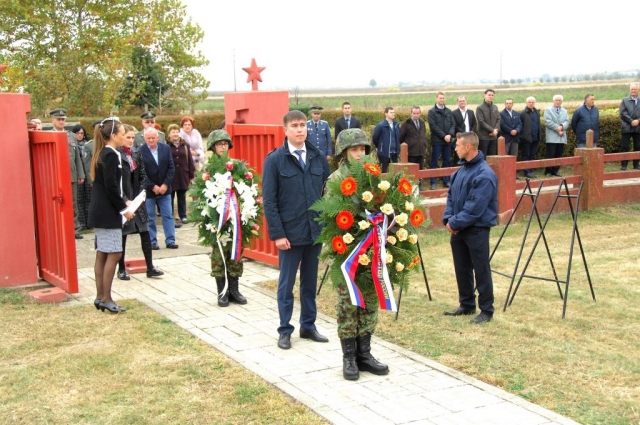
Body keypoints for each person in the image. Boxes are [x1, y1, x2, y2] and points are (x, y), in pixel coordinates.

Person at [263, 110, 331, 350]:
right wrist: (278, 234)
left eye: (303, 125)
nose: (300, 129)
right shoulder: (274, 160)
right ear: (285, 130)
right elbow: (269, 201)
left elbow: (328, 193)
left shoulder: (318, 156)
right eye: (295, 126)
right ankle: (284, 329)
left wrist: (327, 225)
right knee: (286, 284)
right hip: (289, 235)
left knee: (309, 284)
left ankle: (308, 326)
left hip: (314, 232)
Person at [328, 128, 389, 380]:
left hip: (371, 249)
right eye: (354, 150)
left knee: (370, 300)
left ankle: (365, 353)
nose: (360, 154)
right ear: (343, 153)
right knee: (348, 303)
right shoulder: (334, 180)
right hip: (347, 252)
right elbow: (329, 215)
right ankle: (349, 357)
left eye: (363, 149)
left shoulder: (372, 177)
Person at [443, 131, 498, 324]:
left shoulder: (485, 175)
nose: (455, 148)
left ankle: (486, 310)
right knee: (462, 267)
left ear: (468, 147)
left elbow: (475, 208)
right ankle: (466, 304)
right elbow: (451, 197)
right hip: (459, 229)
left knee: (480, 268)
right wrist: (448, 219)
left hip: (477, 229)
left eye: (458, 145)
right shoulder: (459, 172)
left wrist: (454, 223)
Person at [87, 117, 135, 313]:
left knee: (103, 253)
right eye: (123, 134)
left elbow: (111, 186)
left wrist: (125, 201)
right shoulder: (111, 154)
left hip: (100, 211)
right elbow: (111, 186)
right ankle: (106, 297)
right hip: (107, 213)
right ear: (113, 136)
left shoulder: (102, 153)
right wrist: (124, 209)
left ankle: (100, 297)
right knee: (114, 252)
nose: (125, 137)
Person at [204, 129, 250, 306]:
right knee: (218, 255)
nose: (222, 147)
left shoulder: (237, 165)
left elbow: (245, 186)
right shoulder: (209, 168)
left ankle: (234, 290)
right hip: (217, 219)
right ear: (213, 147)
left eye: (225, 144)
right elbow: (202, 193)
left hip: (235, 219)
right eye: (219, 144)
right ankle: (222, 291)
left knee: (236, 252)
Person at [117, 124, 164, 281]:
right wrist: (125, 200)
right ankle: (121, 268)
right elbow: (115, 182)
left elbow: (143, 175)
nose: (130, 140)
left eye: (132, 137)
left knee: (145, 232)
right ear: (121, 136)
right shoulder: (116, 154)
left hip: (137, 199)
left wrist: (140, 196)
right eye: (127, 137)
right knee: (122, 235)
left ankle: (150, 267)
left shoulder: (136, 153)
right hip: (124, 200)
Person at [139, 127, 178, 250]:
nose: (151, 140)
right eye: (148, 138)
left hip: (165, 189)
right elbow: (141, 172)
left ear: (157, 137)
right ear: (144, 138)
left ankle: (170, 240)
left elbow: (171, 168)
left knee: (168, 215)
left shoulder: (165, 148)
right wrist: (152, 186)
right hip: (149, 191)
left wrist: (165, 184)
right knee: (150, 217)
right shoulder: (140, 151)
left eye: (153, 137)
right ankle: (152, 241)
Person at [49, 108, 85, 239]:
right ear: (52, 120)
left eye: (63, 119)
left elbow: (77, 157)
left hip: (71, 175)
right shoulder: (48, 135)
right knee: (56, 203)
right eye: (58, 119)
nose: (61, 122)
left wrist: (81, 174)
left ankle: (74, 229)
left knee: (73, 202)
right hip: (55, 176)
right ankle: (58, 228)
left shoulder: (70, 136)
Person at [167, 124, 195, 225]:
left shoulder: (185, 145)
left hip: (183, 174)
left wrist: (191, 175)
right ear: (169, 134)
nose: (175, 134)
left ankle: (183, 215)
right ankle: (170, 217)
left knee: (182, 196)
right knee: (170, 197)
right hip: (171, 176)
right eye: (173, 132)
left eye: (177, 131)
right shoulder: (166, 145)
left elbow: (190, 160)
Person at [427, 92, 456, 190]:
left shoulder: (448, 111)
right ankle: (433, 182)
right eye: (440, 98)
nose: (442, 100)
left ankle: (446, 180)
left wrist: (450, 135)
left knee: (446, 161)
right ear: (436, 98)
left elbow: (453, 124)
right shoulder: (432, 112)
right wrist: (443, 136)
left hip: (447, 141)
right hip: (437, 141)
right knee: (434, 161)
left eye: (443, 98)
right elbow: (433, 126)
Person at [71, 124, 92, 231]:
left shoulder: (88, 145)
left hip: (88, 174)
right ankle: (81, 223)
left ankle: (90, 222)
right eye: (77, 133)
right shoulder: (72, 144)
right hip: (78, 174)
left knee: (89, 198)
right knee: (78, 199)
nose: (80, 135)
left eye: (82, 133)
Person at [544, 95, 569, 177]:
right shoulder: (548, 110)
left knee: (559, 154)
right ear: (553, 101)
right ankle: (548, 171)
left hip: (561, 136)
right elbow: (548, 122)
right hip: (552, 136)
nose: (558, 102)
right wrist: (557, 128)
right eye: (556, 100)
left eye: (559, 100)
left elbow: (567, 121)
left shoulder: (564, 111)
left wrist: (562, 126)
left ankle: (555, 170)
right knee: (551, 154)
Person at [399, 106, 427, 172]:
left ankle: (419, 182)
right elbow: (401, 138)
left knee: (420, 171)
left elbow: (423, 134)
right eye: (414, 113)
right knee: (411, 171)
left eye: (417, 113)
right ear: (411, 113)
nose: (416, 115)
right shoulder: (406, 123)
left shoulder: (422, 123)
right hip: (411, 152)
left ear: (420, 113)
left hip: (421, 151)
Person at [372, 106, 400, 173]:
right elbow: (375, 138)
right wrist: (380, 147)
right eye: (391, 112)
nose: (393, 114)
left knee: (395, 172)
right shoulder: (381, 125)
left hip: (395, 153)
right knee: (384, 172)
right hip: (384, 153)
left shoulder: (396, 125)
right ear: (386, 114)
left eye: (394, 112)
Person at [619, 83, 640, 170]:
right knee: (625, 146)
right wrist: (631, 121)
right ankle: (624, 165)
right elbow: (622, 113)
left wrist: (638, 121)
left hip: (638, 127)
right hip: (627, 127)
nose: (633, 91)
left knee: (638, 146)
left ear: (638, 90)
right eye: (632, 89)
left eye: (635, 89)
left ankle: (636, 164)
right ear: (630, 90)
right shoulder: (625, 100)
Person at [520, 96, 541, 179]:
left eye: (532, 102)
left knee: (532, 155)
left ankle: (531, 170)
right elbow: (521, 125)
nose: (531, 103)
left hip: (535, 138)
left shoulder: (536, 112)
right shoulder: (523, 113)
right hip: (526, 138)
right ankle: (526, 171)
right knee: (526, 155)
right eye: (529, 102)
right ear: (526, 103)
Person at [476, 89, 501, 157]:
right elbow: (481, 121)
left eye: (492, 95)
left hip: (493, 137)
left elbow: (498, 119)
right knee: (483, 158)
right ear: (485, 95)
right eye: (489, 95)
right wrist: (492, 130)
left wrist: (495, 130)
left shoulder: (495, 107)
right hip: (484, 137)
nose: (490, 96)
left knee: (493, 158)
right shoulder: (480, 108)